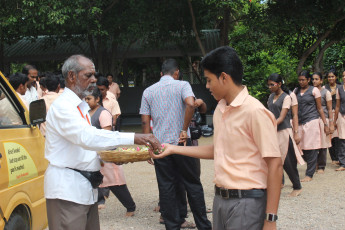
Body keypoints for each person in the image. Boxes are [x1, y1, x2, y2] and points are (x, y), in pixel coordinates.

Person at [151, 47, 282, 230]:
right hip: (220, 200)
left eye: (209, 80)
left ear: (224, 77)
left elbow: (275, 164)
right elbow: (218, 149)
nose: (207, 86)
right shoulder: (220, 110)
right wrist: (172, 148)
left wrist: (270, 219)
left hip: (247, 202)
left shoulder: (255, 111)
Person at [44, 54, 161, 230]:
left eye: (94, 75)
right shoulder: (63, 107)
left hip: (84, 190)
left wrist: (117, 155)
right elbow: (87, 137)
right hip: (68, 192)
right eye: (88, 75)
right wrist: (134, 137)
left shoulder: (80, 106)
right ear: (71, 76)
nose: (94, 80)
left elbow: (85, 147)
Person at [140, 59, 211, 230]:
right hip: (182, 145)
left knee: (166, 186)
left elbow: (144, 121)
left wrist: (148, 146)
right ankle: (203, 225)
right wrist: (183, 130)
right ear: (177, 72)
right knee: (192, 184)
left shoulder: (148, 91)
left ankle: (172, 225)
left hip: (160, 147)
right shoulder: (183, 85)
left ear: (161, 73)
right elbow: (190, 103)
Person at [84, 88, 136, 217]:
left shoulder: (103, 113)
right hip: (92, 154)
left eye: (89, 99)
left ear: (97, 99)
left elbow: (106, 136)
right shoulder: (86, 112)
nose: (86, 101)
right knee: (91, 182)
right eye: (85, 99)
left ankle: (130, 206)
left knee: (115, 183)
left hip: (106, 154)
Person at [267, 73, 305, 197]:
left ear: (279, 84)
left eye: (272, 84)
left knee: (288, 161)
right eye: (269, 85)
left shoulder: (286, 97)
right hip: (273, 132)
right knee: (275, 160)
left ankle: (297, 186)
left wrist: (295, 132)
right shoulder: (271, 96)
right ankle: (278, 183)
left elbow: (282, 117)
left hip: (283, 132)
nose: (270, 87)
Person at [294, 70, 329, 182]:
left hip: (312, 121)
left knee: (312, 148)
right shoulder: (296, 91)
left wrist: (325, 124)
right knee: (301, 147)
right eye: (299, 80)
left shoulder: (314, 91)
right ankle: (312, 166)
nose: (301, 82)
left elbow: (320, 108)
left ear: (308, 80)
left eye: (303, 80)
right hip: (300, 122)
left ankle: (309, 174)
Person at [312, 72, 334, 173]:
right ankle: (314, 164)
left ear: (321, 80)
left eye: (317, 79)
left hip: (322, 119)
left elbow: (329, 109)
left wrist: (330, 123)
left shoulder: (326, 92)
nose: (314, 81)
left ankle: (321, 166)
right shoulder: (310, 91)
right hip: (312, 119)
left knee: (323, 144)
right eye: (313, 79)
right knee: (313, 144)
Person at [325, 70, 342, 165]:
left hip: (339, 113)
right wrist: (330, 94)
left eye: (332, 76)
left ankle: (340, 157)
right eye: (329, 77)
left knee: (339, 136)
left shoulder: (340, 87)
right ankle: (333, 158)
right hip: (329, 114)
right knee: (331, 136)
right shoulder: (324, 88)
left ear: (336, 77)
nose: (331, 78)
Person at [333, 70, 345, 171]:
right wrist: (334, 120)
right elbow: (337, 106)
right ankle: (342, 163)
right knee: (342, 139)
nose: (344, 77)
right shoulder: (339, 89)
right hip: (342, 115)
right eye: (343, 76)